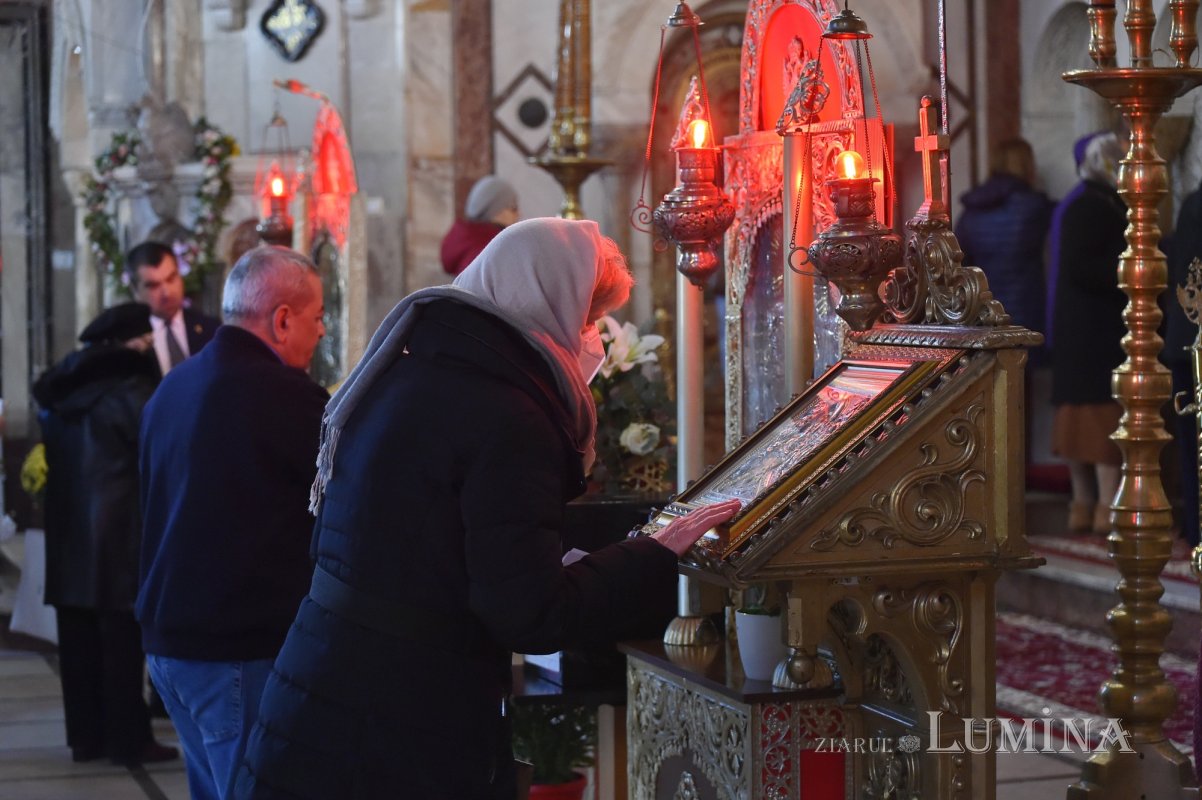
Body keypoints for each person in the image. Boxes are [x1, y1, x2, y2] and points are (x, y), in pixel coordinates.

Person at [233, 218, 741, 799]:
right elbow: (528, 613)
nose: (590, 338)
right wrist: (649, 556)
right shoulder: (510, 412)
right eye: (585, 317)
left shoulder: (414, 364)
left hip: (321, 686)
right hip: (397, 725)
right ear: (545, 300)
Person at [136, 246, 329, 800]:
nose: (320, 332)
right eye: (316, 318)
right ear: (283, 319)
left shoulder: (173, 386)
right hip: (235, 649)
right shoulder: (285, 397)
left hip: (170, 643)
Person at [32, 303, 178, 767]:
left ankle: (86, 739)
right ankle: (128, 741)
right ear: (133, 344)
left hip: (69, 542)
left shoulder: (58, 392)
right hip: (120, 542)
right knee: (121, 649)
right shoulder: (136, 392)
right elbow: (160, 464)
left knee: (77, 647)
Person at [1050, 132, 1128, 534]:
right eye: (1117, 155)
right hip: (1093, 331)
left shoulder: (1092, 200)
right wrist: (1133, 273)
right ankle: (1103, 510)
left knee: (1082, 425)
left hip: (1082, 331)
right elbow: (1085, 267)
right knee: (1097, 427)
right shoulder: (1091, 205)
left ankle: (1084, 507)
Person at [955, 137, 1054, 341]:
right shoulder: (1034, 207)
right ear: (1027, 165)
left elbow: (960, 266)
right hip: (1025, 310)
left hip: (984, 313)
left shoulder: (971, 212)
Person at [1165, 178, 1202, 547]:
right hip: (1195, 345)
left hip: (1184, 341)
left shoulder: (1192, 202)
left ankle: (1196, 532)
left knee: (1193, 450)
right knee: (1195, 449)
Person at [125, 241, 220, 378]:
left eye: (171, 279)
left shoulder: (210, 328)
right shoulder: (129, 342)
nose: (166, 293)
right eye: (153, 286)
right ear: (135, 291)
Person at [439, 175, 520, 275]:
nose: (519, 214)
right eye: (514, 207)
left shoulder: (465, 240)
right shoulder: (489, 253)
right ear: (496, 211)